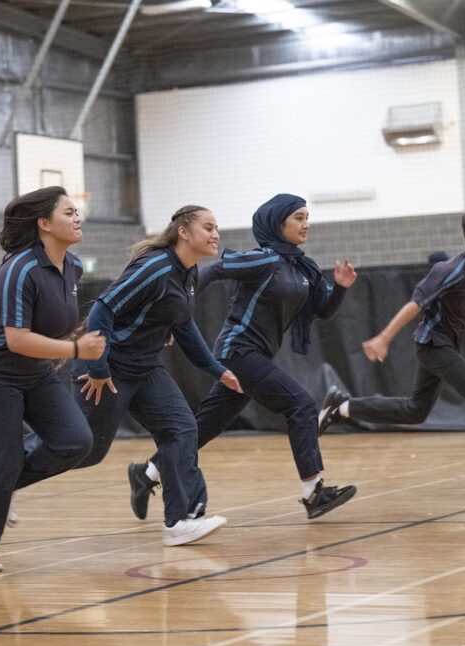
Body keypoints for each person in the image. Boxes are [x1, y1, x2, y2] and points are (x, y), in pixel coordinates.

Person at [128, 193, 358, 522]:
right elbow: (213, 271)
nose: (306, 224)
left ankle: (147, 474)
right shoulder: (262, 259)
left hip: (256, 354)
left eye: (307, 217)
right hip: (239, 350)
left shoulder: (301, 267)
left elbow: (323, 310)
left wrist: (340, 287)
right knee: (302, 405)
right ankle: (314, 492)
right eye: (299, 218)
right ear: (278, 224)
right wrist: (175, 310)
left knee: (204, 427)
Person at [317, 206, 465, 492]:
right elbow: (415, 304)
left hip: (447, 346)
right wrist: (384, 338)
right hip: (432, 345)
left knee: (416, 411)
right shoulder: (450, 270)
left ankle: (342, 407)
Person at [0, 187, 106, 572]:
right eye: (68, 212)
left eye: (78, 212)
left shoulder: (72, 266)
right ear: (44, 223)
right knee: (3, 464)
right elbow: (16, 339)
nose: (77, 218)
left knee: (77, 442)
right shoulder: (18, 269)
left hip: (36, 373)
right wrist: (76, 352)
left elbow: (58, 327)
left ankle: (0, 486)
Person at [72, 206, 241, 546]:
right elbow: (101, 310)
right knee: (81, 448)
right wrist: (99, 369)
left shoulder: (188, 274)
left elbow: (185, 327)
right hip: (109, 370)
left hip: (146, 368)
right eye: (207, 227)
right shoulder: (155, 267)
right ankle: (10, 477)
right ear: (183, 231)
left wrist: (217, 370)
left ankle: (180, 520)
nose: (215, 234)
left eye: (217, 228)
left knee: (181, 428)